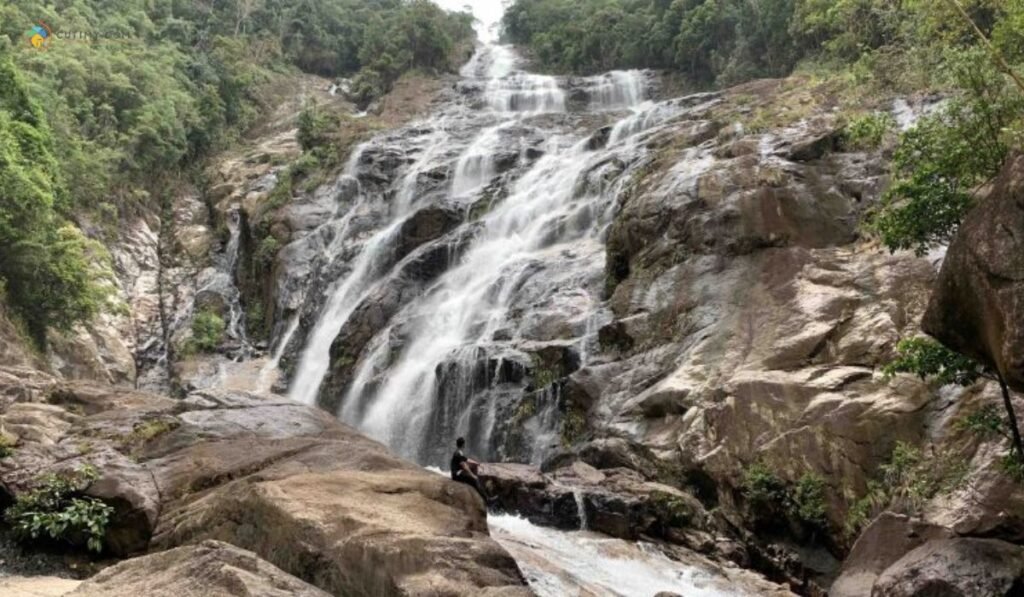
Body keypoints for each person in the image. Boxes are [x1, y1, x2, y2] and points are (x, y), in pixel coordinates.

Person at [450, 437, 488, 501]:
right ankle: (487, 500)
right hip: (456, 476)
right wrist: (473, 476)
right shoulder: (458, 453)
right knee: (474, 481)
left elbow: (467, 459)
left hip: (456, 474)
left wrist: (476, 463)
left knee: (473, 474)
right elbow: (464, 466)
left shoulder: (458, 452)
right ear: (463, 445)